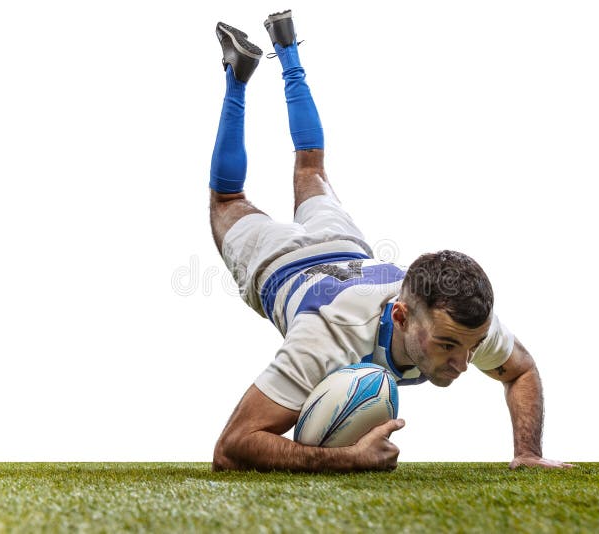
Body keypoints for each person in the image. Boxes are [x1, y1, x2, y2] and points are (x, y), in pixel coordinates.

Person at [208, 10, 573, 472]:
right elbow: (231, 448)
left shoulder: (464, 323)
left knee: (311, 169)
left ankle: (288, 51)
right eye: (446, 346)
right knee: (228, 198)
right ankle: (239, 75)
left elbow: (520, 370)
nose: (464, 362)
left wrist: (528, 453)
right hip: (280, 260)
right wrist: (346, 459)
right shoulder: (327, 338)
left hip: (344, 246)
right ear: (400, 315)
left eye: (468, 346)